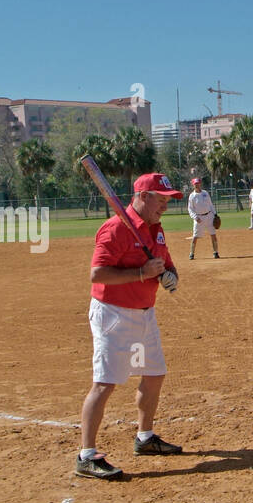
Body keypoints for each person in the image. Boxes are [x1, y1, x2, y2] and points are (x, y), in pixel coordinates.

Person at [76, 172, 185, 480]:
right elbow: (97, 274)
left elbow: (165, 262)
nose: (164, 206)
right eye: (160, 200)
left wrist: (170, 275)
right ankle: (86, 455)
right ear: (141, 197)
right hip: (113, 315)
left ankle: (145, 437)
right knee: (105, 383)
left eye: (167, 201)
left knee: (154, 373)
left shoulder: (155, 229)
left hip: (144, 313)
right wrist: (140, 273)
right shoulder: (114, 229)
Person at [187, 177, 219, 259]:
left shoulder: (205, 193)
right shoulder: (192, 196)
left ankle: (215, 252)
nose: (197, 185)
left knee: (213, 234)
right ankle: (192, 253)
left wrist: (215, 214)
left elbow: (210, 204)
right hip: (199, 218)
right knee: (195, 236)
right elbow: (190, 209)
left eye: (198, 183)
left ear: (200, 184)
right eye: (195, 184)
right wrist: (195, 217)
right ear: (193, 185)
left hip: (209, 216)